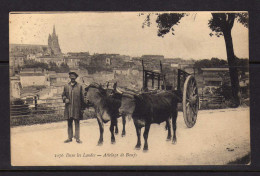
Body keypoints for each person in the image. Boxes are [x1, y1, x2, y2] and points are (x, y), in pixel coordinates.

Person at [62, 72, 85, 144]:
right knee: (69, 123)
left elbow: (82, 98)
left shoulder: (80, 86)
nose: (72, 79)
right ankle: (69, 138)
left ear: (76, 78)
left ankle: (77, 138)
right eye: (71, 77)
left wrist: (82, 108)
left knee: (77, 122)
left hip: (77, 108)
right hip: (68, 108)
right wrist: (65, 99)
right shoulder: (66, 86)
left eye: (74, 78)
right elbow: (63, 95)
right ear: (69, 78)